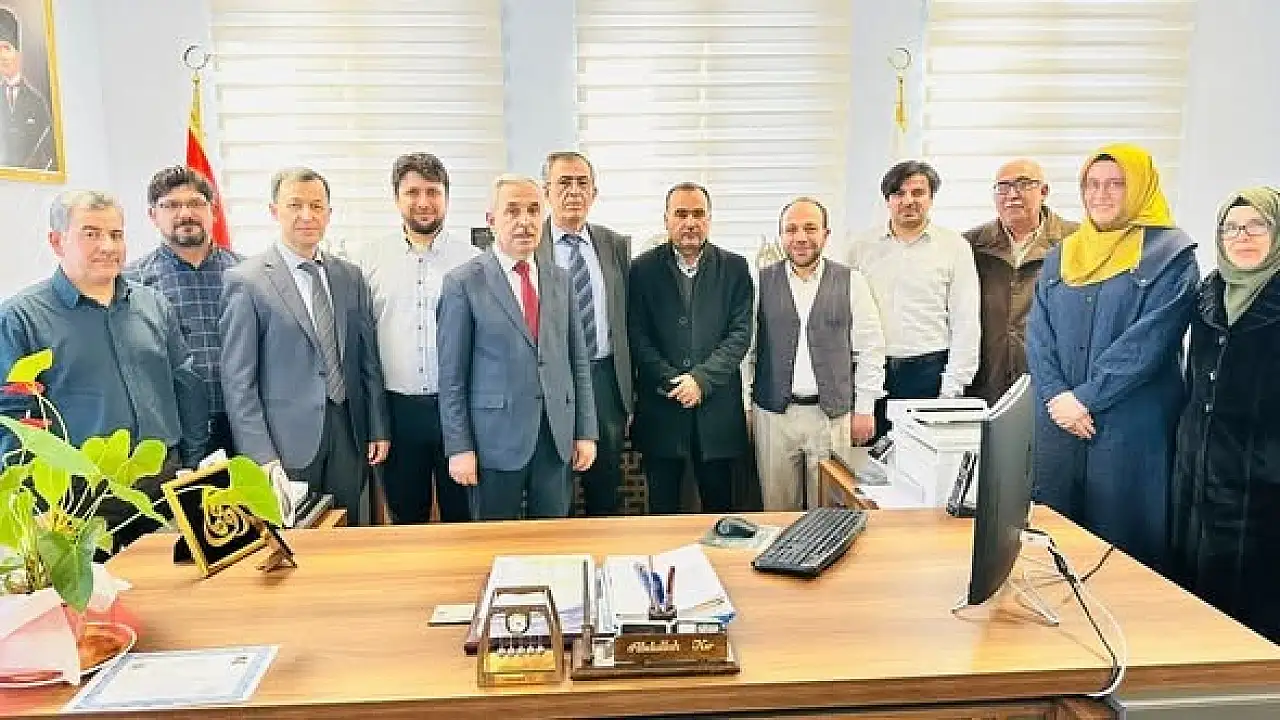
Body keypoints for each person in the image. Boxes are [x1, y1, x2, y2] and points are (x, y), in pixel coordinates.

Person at [0, 191, 207, 549]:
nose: (108, 246)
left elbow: (184, 384)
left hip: (164, 485)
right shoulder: (20, 319)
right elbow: (12, 420)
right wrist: (33, 504)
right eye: (91, 234)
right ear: (57, 241)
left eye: (116, 234)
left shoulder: (154, 305)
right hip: (78, 500)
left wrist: (191, 461)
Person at [1026, 144, 1199, 571]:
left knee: (1125, 546)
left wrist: (1084, 398)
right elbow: (1038, 334)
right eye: (1092, 184)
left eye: (1116, 184)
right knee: (1054, 542)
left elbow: (1150, 341)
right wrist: (1056, 397)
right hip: (1059, 420)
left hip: (1129, 424)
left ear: (1140, 187)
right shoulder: (1063, 254)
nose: (1101, 194)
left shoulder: (1171, 255)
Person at [219, 167, 390, 525]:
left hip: (348, 433)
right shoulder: (247, 281)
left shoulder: (349, 276)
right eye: (295, 205)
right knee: (296, 540)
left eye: (316, 206)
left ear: (329, 212)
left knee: (348, 531)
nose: (307, 215)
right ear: (274, 211)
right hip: (285, 443)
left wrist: (377, 427)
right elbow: (238, 382)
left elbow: (367, 361)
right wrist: (260, 456)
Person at [437, 174, 598, 520]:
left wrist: (585, 432)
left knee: (554, 539)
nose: (525, 221)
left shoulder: (561, 280)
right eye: (512, 211)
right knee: (495, 541)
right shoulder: (463, 283)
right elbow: (452, 378)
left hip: (555, 438)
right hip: (493, 442)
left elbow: (578, 363)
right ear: (491, 220)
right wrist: (459, 447)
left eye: (533, 210)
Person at [1169, 186, 1280, 642]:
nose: (1242, 236)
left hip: (1264, 481)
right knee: (1196, 596)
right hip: (1197, 470)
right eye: (1231, 228)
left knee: (1253, 610)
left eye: (1257, 225)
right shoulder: (1209, 293)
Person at [349, 153, 478, 524]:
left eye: (433, 192)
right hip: (397, 412)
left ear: (447, 197)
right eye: (413, 192)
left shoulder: (472, 262)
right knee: (406, 518)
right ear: (396, 198)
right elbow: (362, 347)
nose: (424, 202)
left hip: (459, 410)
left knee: (464, 517)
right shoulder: (367, 261)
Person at [746, 197, 886, 510]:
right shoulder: (760, 282)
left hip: (831, 416)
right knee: (777, 508)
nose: (801, 237)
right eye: (791, 229)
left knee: (830, 511)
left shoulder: (852, 281)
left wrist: (865, 408)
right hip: (774, 416)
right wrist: (747, 406)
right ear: (781, 235)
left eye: (810, 228)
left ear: (825, 234)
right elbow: (748, 353)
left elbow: (871, 349)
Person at [629, 182, 753, 514]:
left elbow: (740, 335)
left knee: (721, 514)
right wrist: (675, 383)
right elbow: (637, 337)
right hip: (661, 412)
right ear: (666, 219)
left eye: (698, 214)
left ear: (709, 219)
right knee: (662, 514)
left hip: (717, 414)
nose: (690, 222)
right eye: (681, 214)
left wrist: (700, 380)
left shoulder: (736, 268)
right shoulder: (641, 269)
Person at [846, 161, 980, 437]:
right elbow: (846, 316)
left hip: (930, 374)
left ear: (931, 197)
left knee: (924, 459)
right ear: (887, 200)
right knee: (872, 458)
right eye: (899, 193)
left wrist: (952, 390)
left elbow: (966, 321)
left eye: (918, 193)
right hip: (873, 373)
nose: (908, 201)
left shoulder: (954, 247)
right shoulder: (860, 247)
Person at [535, 150, 632, 516]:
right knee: (552, 489)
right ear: (546, 191)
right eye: (564, 182)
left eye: (582, 183)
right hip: (551, 380)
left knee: (605, 489)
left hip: (605, 380)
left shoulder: (615, 244)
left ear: (594, 192)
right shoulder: (531, 243)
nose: (573, 191)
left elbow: (627, 318)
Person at [125, 166, 242, 460]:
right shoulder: (131, 283)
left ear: (213, 211)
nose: (185, 213)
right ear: (153, 215)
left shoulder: (247, 275)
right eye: (171, 205)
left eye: (195, 203)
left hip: (244, 423)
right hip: (173, 431)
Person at [963, 158, 1078, 405]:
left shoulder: (1077, 241)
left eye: (1024, 184)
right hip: (987, 379)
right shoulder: (970, 245)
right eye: (1003, 187)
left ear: (1044, 191)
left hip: (1056, 380)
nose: (1012, 195)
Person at [0, 7, 54, 170]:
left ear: (18, 53)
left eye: (6, 48)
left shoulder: (37, 103)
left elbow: (49, 153)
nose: (2, 56)